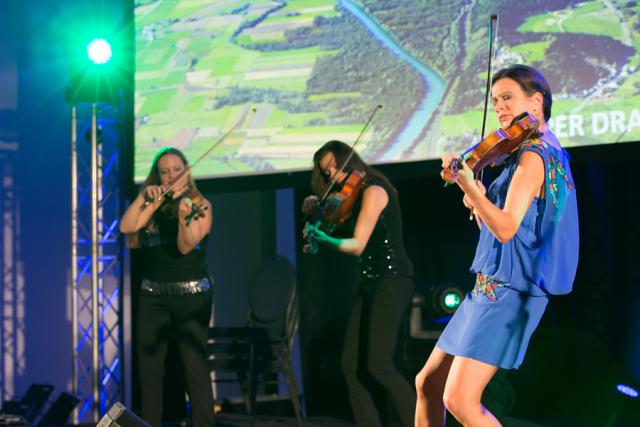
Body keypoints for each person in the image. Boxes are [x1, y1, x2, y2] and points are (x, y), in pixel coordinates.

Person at [414, 64, 579, 426]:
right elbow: (497, 217)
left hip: (509, 290)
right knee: (427, 383)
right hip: (489, 286)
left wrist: (469, 185)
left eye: (507, 98)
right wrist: (472, 189)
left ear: (536, 103)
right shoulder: (531, 150)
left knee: (459, 399)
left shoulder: (536, 155)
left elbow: (505, 229)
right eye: (495, 100)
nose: (500, 108)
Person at [303, 140, 416, 426]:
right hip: (369, 282)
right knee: (349, 365)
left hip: (392, 279)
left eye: (334, 167)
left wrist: (323, 238)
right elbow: (337, 228)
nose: (332, 176)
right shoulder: (349, 197)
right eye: (326, 172)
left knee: (379, 364)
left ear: (348, 161)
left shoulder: (375, 189)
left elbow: (356, 245)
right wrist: (315, 216)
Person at [120, 147, 215, 427]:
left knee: (193, 368)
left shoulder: (200, 204)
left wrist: (185, 218)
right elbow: (127, 227)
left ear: (186, 171)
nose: (171, 175)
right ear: (157, 176)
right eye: (164, 171)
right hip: (153, 296)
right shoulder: (154, 201)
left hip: (191, 296)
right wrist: (144, 197)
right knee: (149, 370)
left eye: (176, 170)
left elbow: (186, 247)